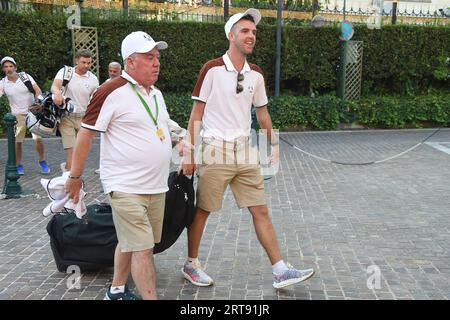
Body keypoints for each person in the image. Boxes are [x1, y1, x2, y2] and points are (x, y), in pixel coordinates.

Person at [181, 8, 314, 289]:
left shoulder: (256, 74)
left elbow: (262, 113)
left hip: (245, 151)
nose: (251, 36)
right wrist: (190, 152)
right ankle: (191, 264)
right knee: (202, 211)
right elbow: (196, 114)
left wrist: (273, 144)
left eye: (253, 32)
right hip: (214, 149)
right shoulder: (212, 68)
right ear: (231, 35)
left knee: (261, 210)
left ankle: (280, 270)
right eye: (245, 31)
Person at [66, 31, 181, 300]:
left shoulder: (155, 94)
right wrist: (75, 176)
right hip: (124, 185)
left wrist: (182, 140)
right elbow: (86, 133)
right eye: (149, 57)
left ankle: (116, 290)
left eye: (157, 57)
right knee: (143, 249)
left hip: (155, 185)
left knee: (134, 242)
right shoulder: (110, 91)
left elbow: (162, 125)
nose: (156, 63)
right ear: (130, 62)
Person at [51, 49, 99, 173]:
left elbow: (95, 100)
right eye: (83, 62)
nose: (86, 66)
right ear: (76, 61)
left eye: (89, 63)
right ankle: (72, 183)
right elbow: (55, 86)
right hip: (66, 117)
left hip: (84, 118)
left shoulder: (93, 79)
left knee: (81, 153)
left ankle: (67, 170)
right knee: (71, 151)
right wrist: (57, 94)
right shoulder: (66, 72)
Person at [0, 56, 50, 175]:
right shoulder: (3, 83)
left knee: (38, 139)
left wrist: (38, 102)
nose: (9, 69)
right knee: (18, 141)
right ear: (3, 69)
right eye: (6, 67)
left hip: (32, 112)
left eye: (11, 66)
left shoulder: (25, 77)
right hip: (17, 115)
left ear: (15, 67)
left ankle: (42, 161)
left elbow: (37, 90)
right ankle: (19, 165)